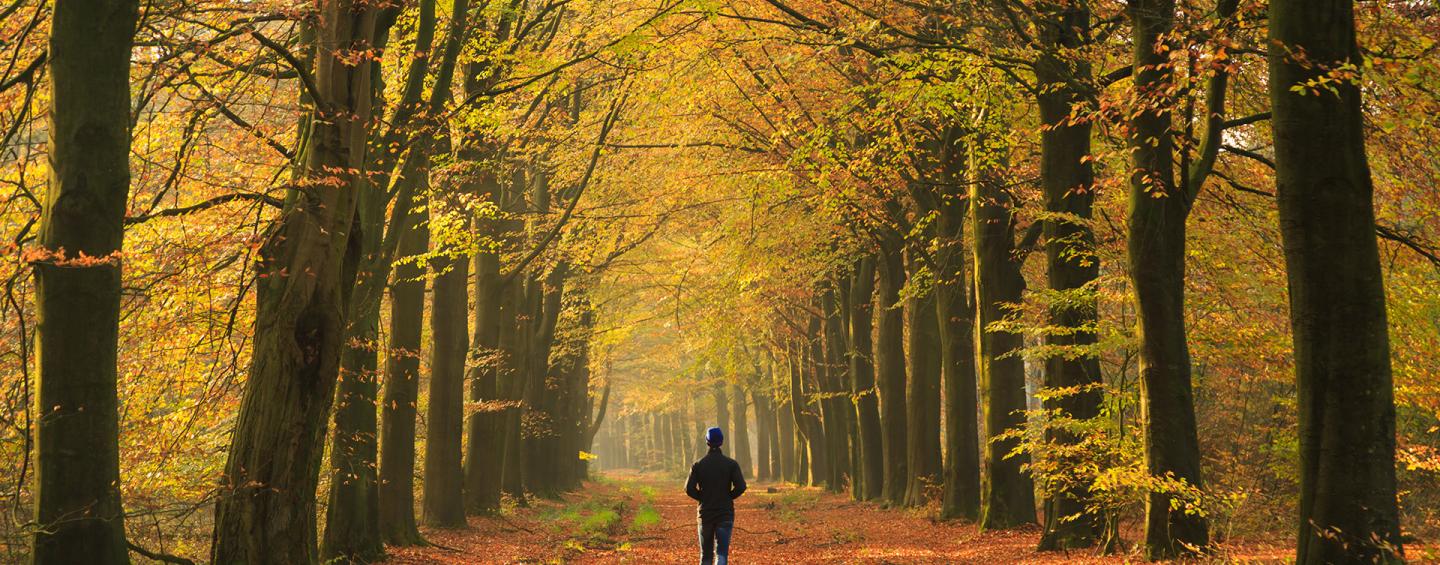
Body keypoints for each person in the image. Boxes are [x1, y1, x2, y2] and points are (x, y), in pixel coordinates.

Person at [685, 426, 746, 565]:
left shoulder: (698, 465)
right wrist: (728, 496)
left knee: (705, 555)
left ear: (707, 442)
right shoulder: (731, 464)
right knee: (721, 554)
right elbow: (741, 486)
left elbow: (688, 489)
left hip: (705, 514)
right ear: (722, 441)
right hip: (725, 514)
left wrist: (702, 497)